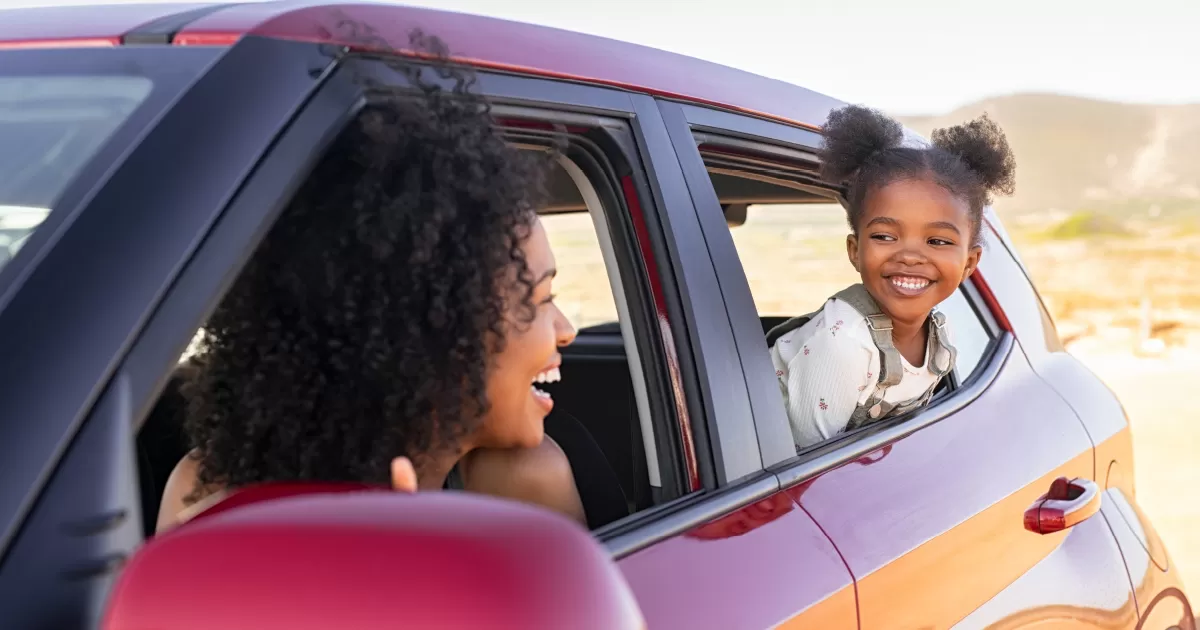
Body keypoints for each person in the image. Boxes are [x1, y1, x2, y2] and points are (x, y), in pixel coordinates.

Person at [156, 40, 587, 532]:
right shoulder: (211, 493)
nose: (567, 329)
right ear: (435, 329)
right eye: (543, 298)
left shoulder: (524, 484)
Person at [768, 104, 1016, 449]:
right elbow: (808, 474)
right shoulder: (844, 345)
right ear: (855, 250)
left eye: (937, 241)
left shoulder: (940, 336)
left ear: (970, 263)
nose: (910, 256)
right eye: (885, 236)